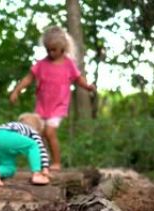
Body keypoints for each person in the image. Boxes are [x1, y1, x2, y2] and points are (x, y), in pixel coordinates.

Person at [9, 26, 96, 171]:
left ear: (62, 48)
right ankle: (43, 162)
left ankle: (57, 162)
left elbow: (78, 79)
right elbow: (28, 78)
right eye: (48, 49)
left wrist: (87, 87)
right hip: (42, 106)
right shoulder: (41, 64)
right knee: (37, 135)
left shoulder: (68, 64)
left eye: (53, 50)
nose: (50, 53)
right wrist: (16, 90)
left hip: (58, 106)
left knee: (50, 132)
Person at [0, 112, 50, 186]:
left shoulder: (14, 126)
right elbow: (41, 149)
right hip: (6, 136)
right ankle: (36, 174)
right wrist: (45, 168)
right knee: (33, 145)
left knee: (9, 167)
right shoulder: (32, 131)